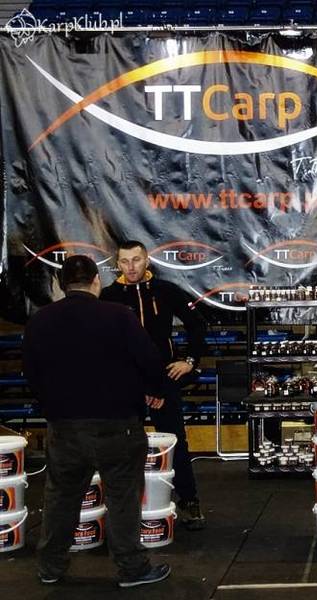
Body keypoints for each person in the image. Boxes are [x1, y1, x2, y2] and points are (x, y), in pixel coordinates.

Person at [22, 255, 171, 587]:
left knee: (61, 498)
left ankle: (50, 566)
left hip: (65, 426)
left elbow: (30, 372)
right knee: (122, 498)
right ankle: (132, 568)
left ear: (61, 285)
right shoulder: (119, 316)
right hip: (117, 424)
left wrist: (52, 405)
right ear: (96, 281)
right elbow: (149, 359)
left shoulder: (41, 321)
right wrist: (156, 390)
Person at [100, 240, 207, 530]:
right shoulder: (108, 297)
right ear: (117, 265)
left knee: (175, 440)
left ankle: (189, 500)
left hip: (164, 378)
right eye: (125, 261)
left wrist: (190, 360)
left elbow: (197, 324)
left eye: (136, 260)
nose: (131, 267)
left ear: (147, 261)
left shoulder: (166, 290)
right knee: (120, 445)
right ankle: (120, 507)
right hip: (126, 383)